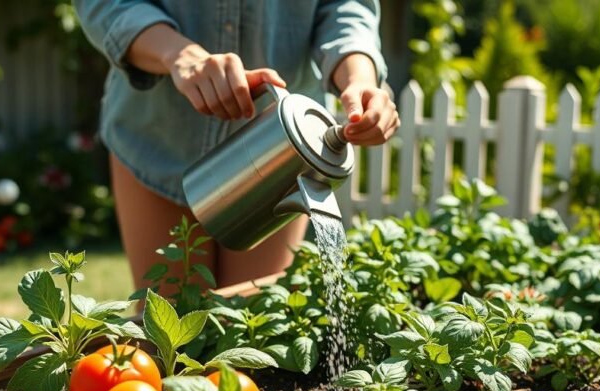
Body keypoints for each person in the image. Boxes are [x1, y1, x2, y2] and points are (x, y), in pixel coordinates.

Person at [74, 1, 399, 292]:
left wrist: (360, 79)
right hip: (158, 134)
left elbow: (345, 7)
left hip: (283, 151)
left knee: (251, 325)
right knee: (166, 325)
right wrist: (179, 54)